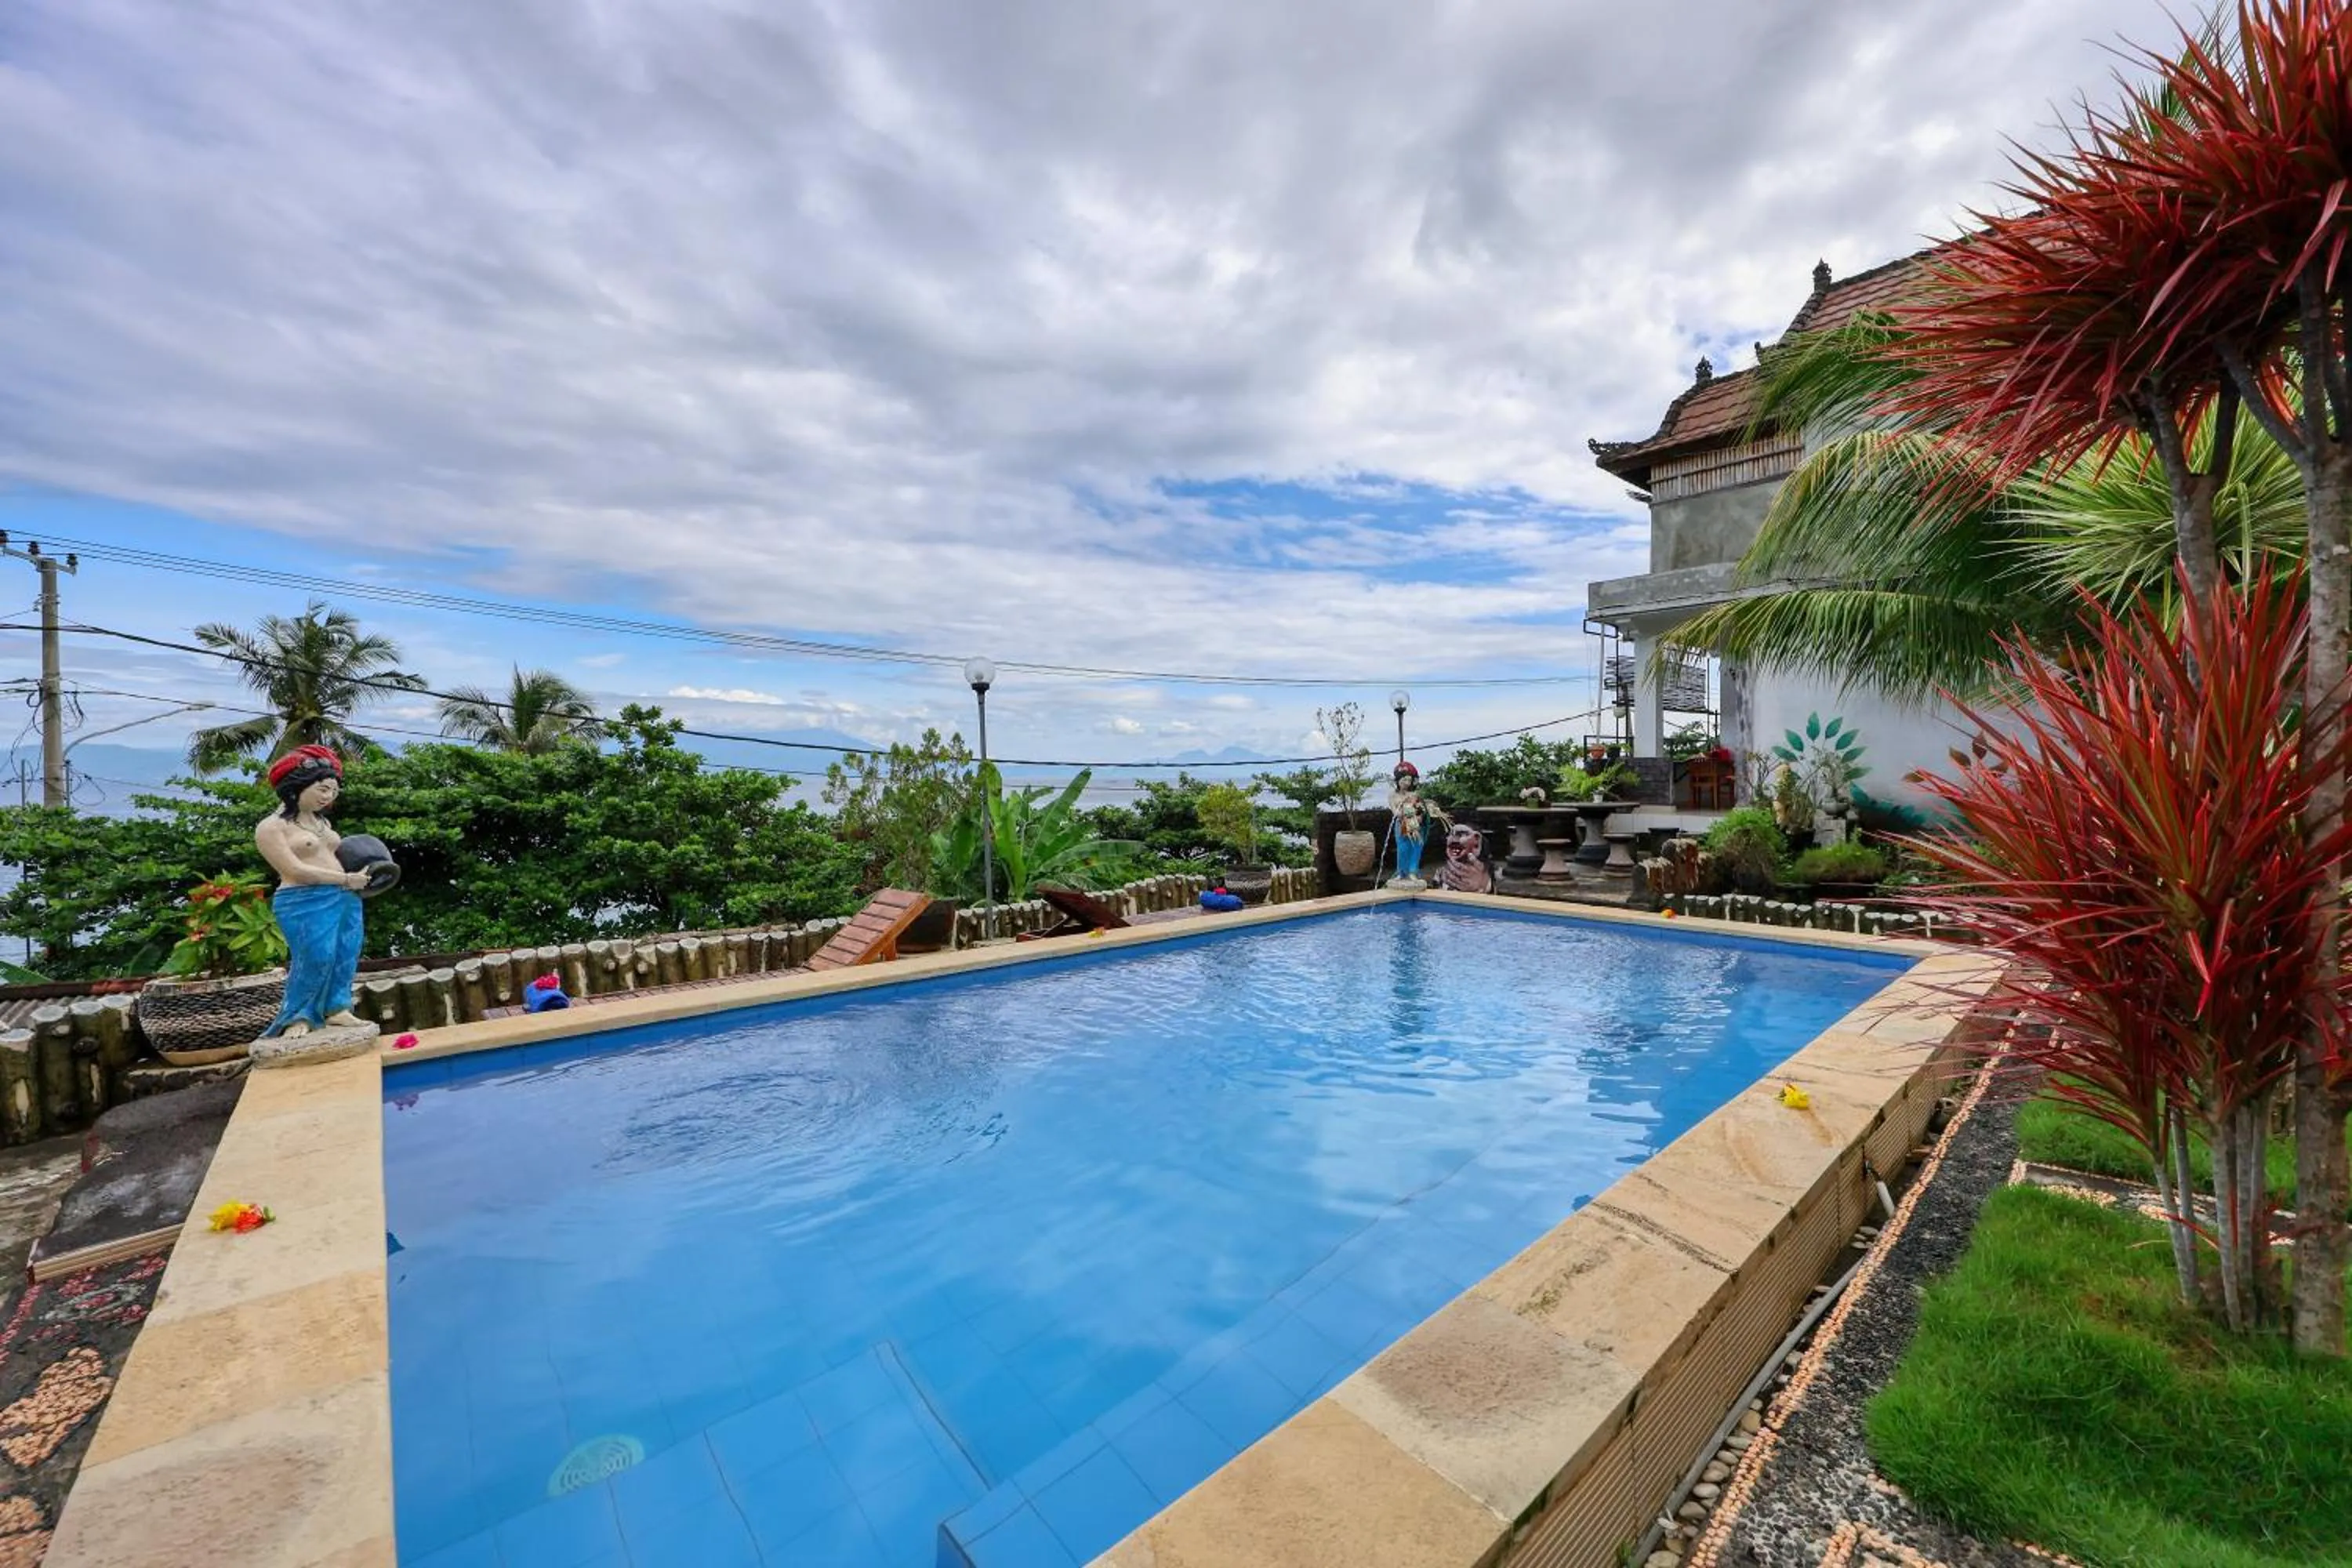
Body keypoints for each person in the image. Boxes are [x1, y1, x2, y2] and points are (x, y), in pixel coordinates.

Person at [253, 746, 374, 1038]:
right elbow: (295, 870)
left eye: (333, 791)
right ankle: (298, 1015)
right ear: (296, 787)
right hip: (302, 900)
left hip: (344, 896)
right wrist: (345, 879)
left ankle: (338, 1008)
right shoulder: (271, 827)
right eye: (322, 789)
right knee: (315, 956)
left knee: (346, 952)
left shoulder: (323, 823)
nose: (328, 796)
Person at [1388, 760, 1446, 888]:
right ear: (1398, 781)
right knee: (1403, 848)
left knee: (1416, 847)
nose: (1406, 783)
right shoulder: (1393, 795)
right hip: (1402, 825)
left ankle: (1413, 872)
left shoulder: (1415, 795)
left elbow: (1421, 810)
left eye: (1409, 780)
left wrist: (1420, 816)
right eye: (1403, 780)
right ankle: (1401, 872)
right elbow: (1395, 812)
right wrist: (1404, 812)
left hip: (1416, 825)